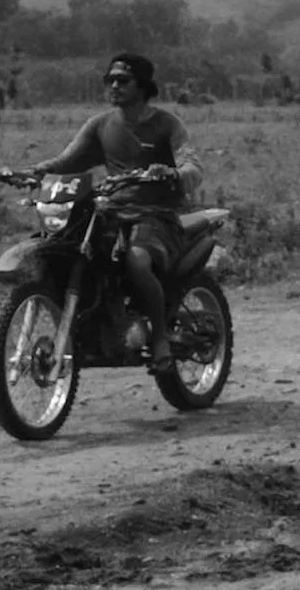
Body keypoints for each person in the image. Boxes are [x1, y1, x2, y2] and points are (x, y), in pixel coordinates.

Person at [19, 52, 205, 379]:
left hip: (155, 216)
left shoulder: (167, 124)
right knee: (68, 249)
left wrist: (173, 173)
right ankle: (98, 320)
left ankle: (160, 337)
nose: (114, 86)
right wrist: (33, 172)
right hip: (109, 212)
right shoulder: (101, 124)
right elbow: (67, 161)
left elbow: (191, 164)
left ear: (143, 85)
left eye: (123, 80)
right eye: (110, 80)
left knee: (136, 259)